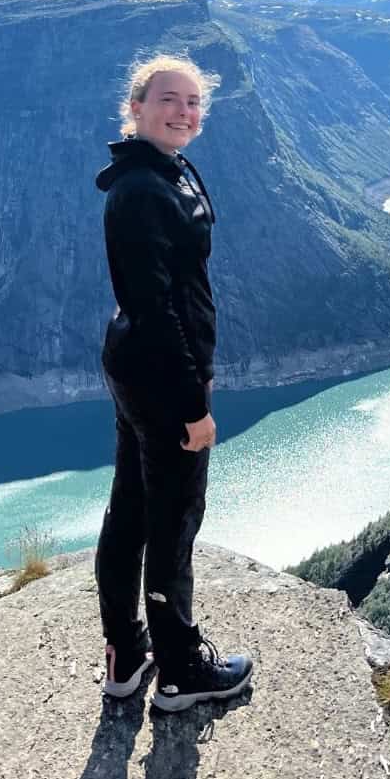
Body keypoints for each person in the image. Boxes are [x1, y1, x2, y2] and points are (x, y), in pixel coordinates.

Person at [94, 52, 253, 712]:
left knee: (131, 508)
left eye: (193, 102)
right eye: (169, 98)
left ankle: (128, 655)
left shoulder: (167, 170)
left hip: (139, 369)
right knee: (174, 519)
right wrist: (194, 405)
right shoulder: (140, 191)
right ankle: (181, 671)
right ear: (136, 106)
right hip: (164, 376)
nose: (184, 111)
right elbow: (159, 310)